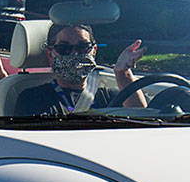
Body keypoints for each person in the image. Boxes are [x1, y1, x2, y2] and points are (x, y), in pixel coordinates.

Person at [14, 23, 147, 115]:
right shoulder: (33, 99)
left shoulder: (110, 98)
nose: (75, 54)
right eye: (64, 48)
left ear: (94, 51)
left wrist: (123, 74)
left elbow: (140, 120)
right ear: (50, 54)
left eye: (83, 47)